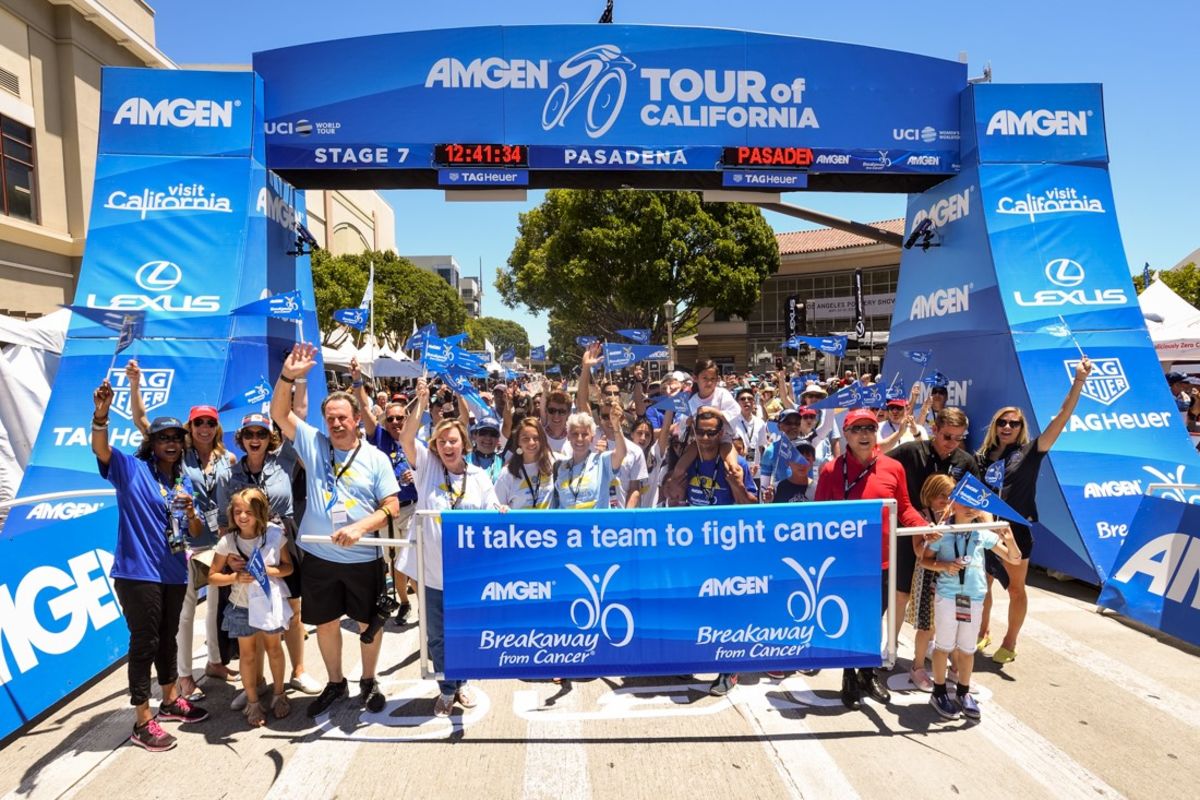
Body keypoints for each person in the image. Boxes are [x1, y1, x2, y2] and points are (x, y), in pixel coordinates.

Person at [270, 343, 401, 718]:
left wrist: (361, 527)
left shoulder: (375, 458)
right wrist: (288, 376)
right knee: (326, 623)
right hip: (321, 556)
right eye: (330, 418)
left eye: (343, 417)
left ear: (357, 418)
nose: (336, 423)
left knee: (367, 623)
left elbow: (391, 506)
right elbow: (279, 413)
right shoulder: (314, 444)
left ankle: (369, 680)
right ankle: (335, 681)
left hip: (363, 557)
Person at [91, 380, 209, 752]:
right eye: (163, 439)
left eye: (176, 438)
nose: (171, 444)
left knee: (168, 638)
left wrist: (191, 513)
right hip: (137, 573)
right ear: (151, 443)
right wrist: (101, 414)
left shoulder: (182, 479)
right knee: (144, 643)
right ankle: (142, 720)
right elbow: (101, 448)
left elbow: (194, 531)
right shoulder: (130, 468)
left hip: (174, 571)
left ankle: (171, 701)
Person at [126, 361, 236, 697]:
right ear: (191, 427)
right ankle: (185, 675)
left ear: (217, 427)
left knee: (217, 604)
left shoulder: (226, 459)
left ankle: (215, 661)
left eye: (210, 422)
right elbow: (143, 423)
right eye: (199, 422)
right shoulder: (180, 453)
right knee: (185, 612)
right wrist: (135, 385)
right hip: (185, 542)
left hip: (218, 541)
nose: (204, 427)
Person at [975, 357, 1093, 664]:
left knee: (1015, 589)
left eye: (1014, 423)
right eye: (1002, 422)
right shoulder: (983, 456)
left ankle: (1010, 641)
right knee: (982, 585)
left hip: (1015, 532)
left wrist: (1078, 381)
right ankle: (982, 631)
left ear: (1021, 427)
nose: (1007, 427)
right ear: (995, 425)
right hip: (986, 531)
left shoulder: (1030, 452)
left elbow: (1062, 418)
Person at [396, 377, 499, 717]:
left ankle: (464, 682)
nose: (447, 447)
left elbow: (493, 517)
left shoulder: (481, 478)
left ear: (463, 443)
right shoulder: (427, 469)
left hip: (467, 575)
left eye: (453, 440)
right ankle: (445, 687)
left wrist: (501, 513)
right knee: (437, 636)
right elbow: (406, 438)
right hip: (433, 573)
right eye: (441, 442)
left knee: (466, 631)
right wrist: (421, 403)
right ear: (436, 447)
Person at [814, 407, 928, 711]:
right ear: (846, 435)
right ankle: (849, 677)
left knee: (871, 621)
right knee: (849, 622)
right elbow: (818, 517)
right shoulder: (830, 470)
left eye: (869, 428)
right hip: (845, 564)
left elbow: (904, 507)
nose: (864, 435)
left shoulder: (893, 468)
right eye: (856, 429)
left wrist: (923, 528)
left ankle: (866, 674)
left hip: (883, 562)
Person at [217, 413, 321, 695]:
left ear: (270, 438)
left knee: (293, 610)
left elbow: (297, 413)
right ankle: (257, 682)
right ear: (240, 439)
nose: (255, 439)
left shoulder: (284, 461)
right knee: (255, 611)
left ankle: (298, 671)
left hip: (282, 537)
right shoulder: (228, 475)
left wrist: (293, 377)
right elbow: (224, 523)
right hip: (246, 545)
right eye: (249, 434)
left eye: (261, 434)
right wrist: (229, 558)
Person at [919, 474, 1023, 720]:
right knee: (943, 646)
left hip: (974, 598)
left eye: (975, 505)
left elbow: (1014, 558)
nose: (970, 509)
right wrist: (945, 565)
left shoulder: (981, 533)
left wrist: (1010, 539)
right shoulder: (943, 532)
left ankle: (964, 692)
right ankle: (940, 691)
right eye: (965, 503)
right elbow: (924, 560)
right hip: (947, 596)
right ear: (953, 503)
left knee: (967, 649)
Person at [888, 407, 977, 691]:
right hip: (910, 531)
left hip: (949, 537)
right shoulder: (910, 452)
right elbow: (881, 470)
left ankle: (940, 654)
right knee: (901, 594)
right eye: (947, 436)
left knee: (944, 600)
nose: (952, 443)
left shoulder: (966, 461)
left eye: (958, 438)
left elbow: (978, 498)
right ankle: (889, 650)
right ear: (935, 429)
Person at [208, 488, 294, 726]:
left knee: (274, 650)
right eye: (237, 512)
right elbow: (212, 577)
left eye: (249, 512)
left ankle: (279, 695)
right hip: (241, 606)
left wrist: (268, 571)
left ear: (260, 512)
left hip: (269, 603)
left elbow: (288, 567)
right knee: (247, 656)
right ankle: (253, 702)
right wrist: (235, 578)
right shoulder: (227, 542)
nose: (243, 517)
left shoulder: (275, 535)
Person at [351, 360, 420, 625]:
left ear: (407, 419)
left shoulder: (416, 441)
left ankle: (424, 604)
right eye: (389, 418)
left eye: (399, 418)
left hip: (413, 508)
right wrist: (357, 381)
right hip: (387, 512)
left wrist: (416, 474)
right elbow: (366, 410)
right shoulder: (378, 438)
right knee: (395, 563)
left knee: (414, 558)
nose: (394, 422)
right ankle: (404, 602)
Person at [552, 406, 627, 509]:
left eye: (584, 434)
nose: (579, 439)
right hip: (568, 524)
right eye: (575, 434)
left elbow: (621, 453)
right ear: (568, 436)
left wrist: (616, 426)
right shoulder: (560, 467)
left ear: (592, 437)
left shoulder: (602, 460)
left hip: (596, 524)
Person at [494, 416, 557, 510]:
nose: (531, 443)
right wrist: (503, 508)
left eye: (536, 438)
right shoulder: (507, 474)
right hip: (519, 524)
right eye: (525, 439)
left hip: (549, 524)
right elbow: (495, 506)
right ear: (518, 442)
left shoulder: (554, 463)